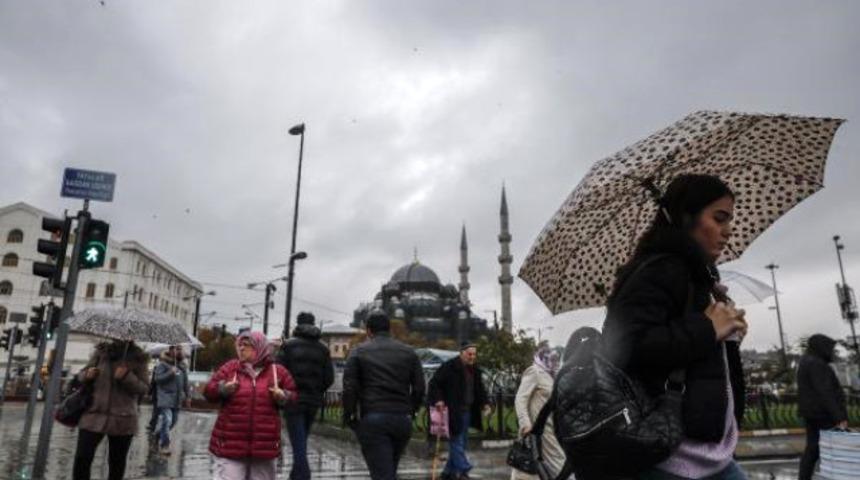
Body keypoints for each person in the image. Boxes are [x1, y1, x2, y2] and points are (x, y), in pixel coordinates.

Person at [601, 174, 749, 480]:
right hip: (669, 455)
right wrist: (708, 328)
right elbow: (627, 346)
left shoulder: (698, 278)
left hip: (707, 451)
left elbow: (692, 355)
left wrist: (728, 338)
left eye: (729, 220)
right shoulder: (658, 271)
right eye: (719, 218)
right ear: (686, 217)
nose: (728, 230)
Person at [343, 310, 425, 480]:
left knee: (381, 473)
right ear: (389, 329)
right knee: (389, 470)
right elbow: (419, 387)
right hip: (402, 419)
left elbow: (350, 387)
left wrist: (349, 415)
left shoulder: (358, 352)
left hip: (373, 416)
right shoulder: (409, 352)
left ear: (368, 331)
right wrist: (412, 411)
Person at [205, 331, 297, 480]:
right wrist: (222, 389)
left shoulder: (277, 372)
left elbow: (294, 398)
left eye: (246, 345)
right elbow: (209, 392)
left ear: (260, 347)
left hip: (264, 448)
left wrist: (283, 397)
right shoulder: (231, 368)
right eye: (240, 345)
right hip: (230, 446)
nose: (241, 348)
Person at [72, 340, 150, 480]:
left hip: (123, 418)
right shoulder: (101, 353)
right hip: (94, 414)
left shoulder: (138, 358)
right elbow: (81, 375)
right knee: (82, 458)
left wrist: (127, 376)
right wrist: (87, 374)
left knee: (116, 463)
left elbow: (144, 388)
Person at [276, 311, 335, 480]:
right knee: (301, 440)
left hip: (293, 400)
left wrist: (285, 391)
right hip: (313, 401)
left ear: (298, 324)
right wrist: (317, 389)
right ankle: (296, 475)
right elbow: (329, 378)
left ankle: (303, 475)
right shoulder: (323, 349)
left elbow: (278, 372)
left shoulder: (288, 346)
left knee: (298, 443)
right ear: (313, 324)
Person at [428, 342, 490, 480]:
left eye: (474, 354)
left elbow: (480, 389)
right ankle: (463, 468)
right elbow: (434, 384)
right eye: (469, 354)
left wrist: (485, 404)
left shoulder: (474, 369)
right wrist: (438, 399)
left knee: (462, 442)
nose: (472, 357)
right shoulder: (449, 367)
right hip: (452, 410)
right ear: (461, 353)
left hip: (467, 411)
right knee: (457, 441)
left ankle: (448, 472)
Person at [797, 334, 848, 480]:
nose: (831, 352)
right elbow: (825, 392)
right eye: (829, 348)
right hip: (823, 414)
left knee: (813, 448)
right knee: (834, 449)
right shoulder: (817, 364)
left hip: (811, 413)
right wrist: (839, 417)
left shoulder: (806, 361)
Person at [511, 343, 564, 480]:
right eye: (552, 359)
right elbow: (520, 399)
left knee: (549, 466)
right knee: (532, 467)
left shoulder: (553, 375)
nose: (555, 363)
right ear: (543, 358)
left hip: (552, 430)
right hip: (536, 431)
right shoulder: (534, 372)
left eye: (557, 360)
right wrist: (525, 423)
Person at [152, 345, 187, 455]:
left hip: (177, 399)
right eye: (176, 349)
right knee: (167, 420)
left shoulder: (182, 366)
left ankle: (158, 434)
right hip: (165, 397)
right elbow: (157, 379)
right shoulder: (162, 364)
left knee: (173, 422)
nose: (178, 351)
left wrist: (188, 396)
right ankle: (165, 445)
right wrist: (170, 372)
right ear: (170, 350)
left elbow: (185, 382)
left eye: (180, 349)